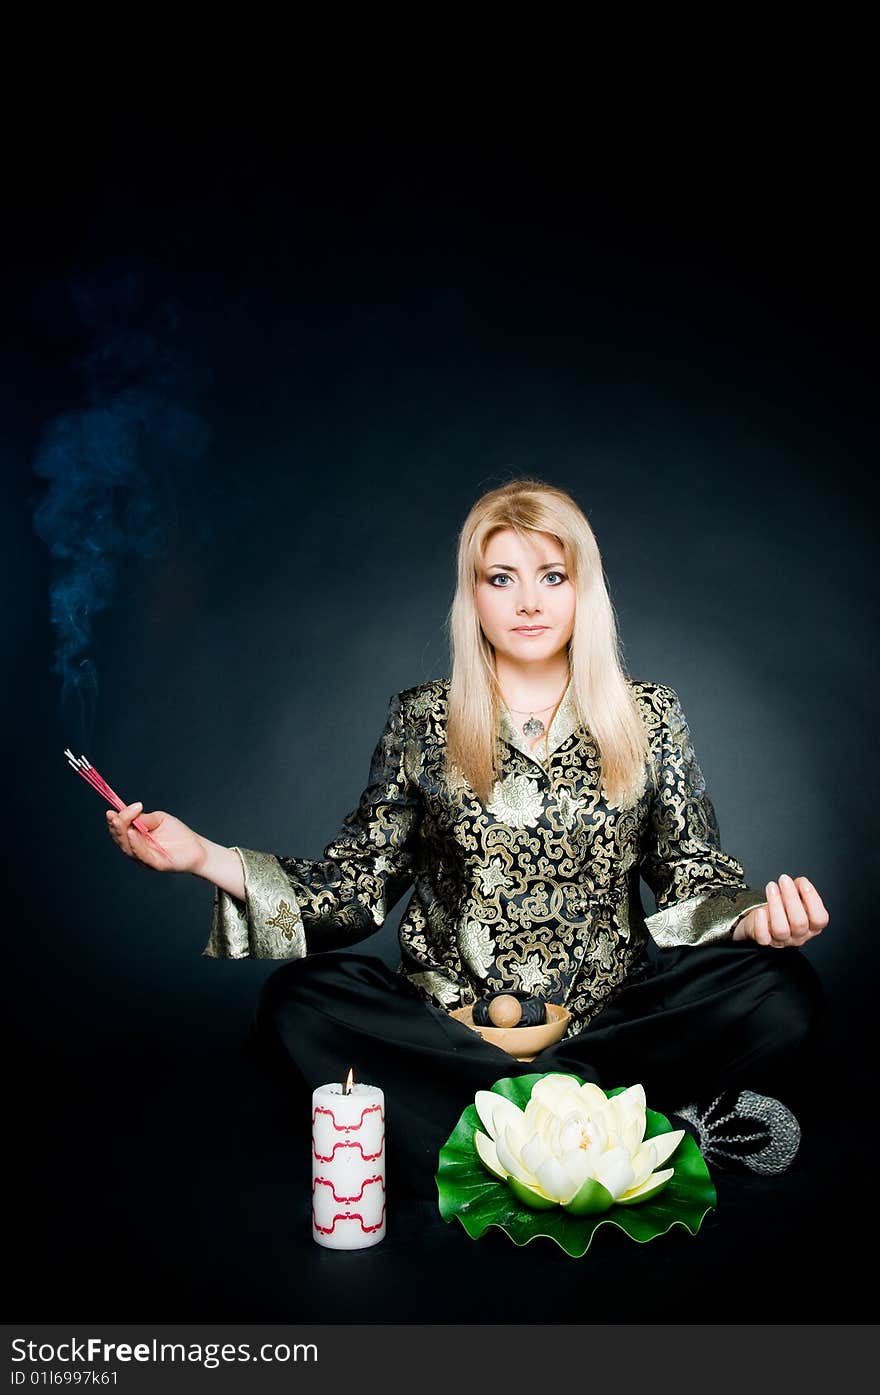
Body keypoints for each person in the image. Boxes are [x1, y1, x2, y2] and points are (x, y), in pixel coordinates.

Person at [106, 478, 829, 1199]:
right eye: (501, 578)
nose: (528, 602)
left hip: (608, 1023)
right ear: (473, 593)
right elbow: (356, 888)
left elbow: (690, 871)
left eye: (552, 576)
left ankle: (486, 1130)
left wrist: (752, 918)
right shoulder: (423, 718)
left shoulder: (648, 714)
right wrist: (203, 856)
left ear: (584, 588)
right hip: (450, 1028)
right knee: (298, 1003)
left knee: (781, 990)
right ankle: (617, 1130)